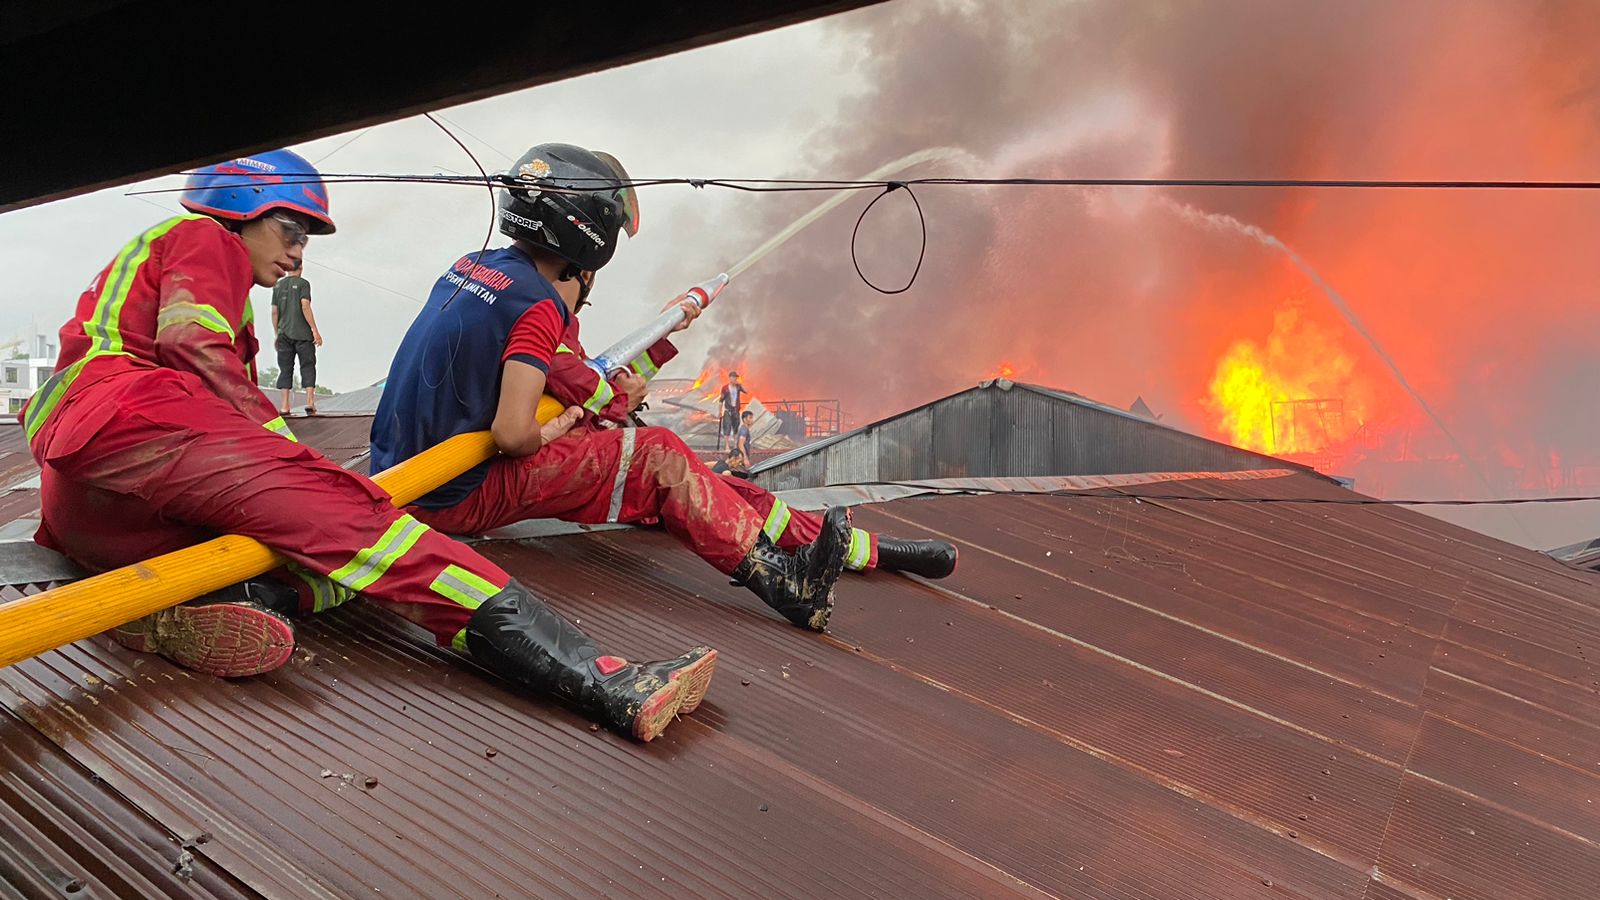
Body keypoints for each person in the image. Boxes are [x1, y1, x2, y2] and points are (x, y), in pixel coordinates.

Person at [20, 149, 711, 743]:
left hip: (95, 509)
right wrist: (296, 462)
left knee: (321, 563)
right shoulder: (207, 240)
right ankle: (598, 676)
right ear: (240, 210)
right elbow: (195, 349)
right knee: (356, 522)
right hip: (125, 417)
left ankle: (171, 613)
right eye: (290, 230)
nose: (298, 251)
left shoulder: (175, 263)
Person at [371, 142, 854, 634]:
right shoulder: (538, 306)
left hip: (402, 477)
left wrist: (660, 341)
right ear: (586, 244)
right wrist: (558, 427)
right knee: (657, 454)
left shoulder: (471, 267)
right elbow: (515, 433)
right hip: (453, 495)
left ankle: (767, 544)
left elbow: (581, 371)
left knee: (616, 453)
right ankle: (790, 585)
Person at [541, 264, 959, 582]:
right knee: (716, 487)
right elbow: (596, 393)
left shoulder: (557, 322)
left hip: (595, 466)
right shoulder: (539, 316)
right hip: (582, 470)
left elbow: (610, 382)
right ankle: (803, 571)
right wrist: (617, 396)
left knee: (739, 493)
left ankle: (865, 549)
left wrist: (664, 335)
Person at [271, 260, 322, 414]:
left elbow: (274, 312)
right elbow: (305, 305)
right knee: (307, 366)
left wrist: (277, 334)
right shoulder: (303, 284)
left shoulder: (277, 286)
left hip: (283, 334)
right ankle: (310, 402)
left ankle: (285, 406)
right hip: (303, 334)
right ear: (300, 268)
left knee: (285, 368)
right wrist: (315, 330)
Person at [718, 371, 745, 450]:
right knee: (727, 427)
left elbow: (747, 391)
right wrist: (720, 411)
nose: (735, 379)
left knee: (735, 427)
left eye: (736, 377)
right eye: (733, 377)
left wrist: (741, 384)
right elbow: (721, 400)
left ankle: (735, 445)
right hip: (728, 411)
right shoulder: (725, 388)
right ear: (730, 378)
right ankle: (727, 446)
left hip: (736, 411)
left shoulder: (738, 387)